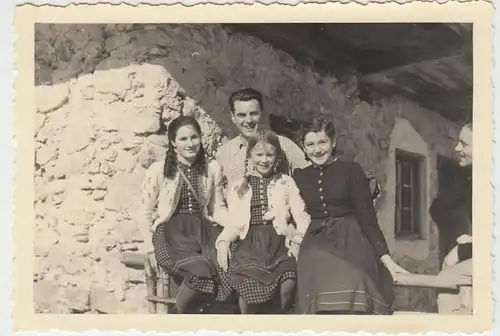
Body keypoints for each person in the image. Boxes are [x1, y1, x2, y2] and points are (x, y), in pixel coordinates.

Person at [292, 118, 409, 315]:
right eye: (310, 144)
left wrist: (386, 259)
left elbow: (367, 217)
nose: (317, 150)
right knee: (315, 275)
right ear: (303, 147)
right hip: (317, 241)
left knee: (356, 276)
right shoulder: (300, 176)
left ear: (333, 142)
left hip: (351, 238)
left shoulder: (351, 170)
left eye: (322, 142)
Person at [138, 116, 234, 313]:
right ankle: (179, 317)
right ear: (173, 142)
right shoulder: (158, 170)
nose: (190, 144)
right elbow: (144, 212)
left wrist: (234, 227)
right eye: (183, 139)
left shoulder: (212, 168)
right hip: (171, 234)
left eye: (194, 137)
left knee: (229, 271)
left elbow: (217, 208)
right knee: (200, 272)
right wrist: (149, 248)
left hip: (203, 232)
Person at [215, 130, 311, 314]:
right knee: (248, 287)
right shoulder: (239, 187)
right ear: (250, 156)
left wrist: (299, 239)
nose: (264, 160)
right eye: (259, 154)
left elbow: (301, 216)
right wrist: (223, 241)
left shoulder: (286, 182)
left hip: (279, 242)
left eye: (270, 155)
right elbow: (235, 223)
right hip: (250, 244)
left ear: (277, 157)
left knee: (288, 282)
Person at [215, 88, 309, 189]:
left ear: (262, 113)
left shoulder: (284, 145)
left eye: (253, 114)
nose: (249, 120)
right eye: (242, 115)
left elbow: (310, 176)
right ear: (233, 117)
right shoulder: (224, 154)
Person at [435, 122, 473, 314]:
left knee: (447, 279)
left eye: (464, 144)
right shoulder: (472, 180)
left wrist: (465, 248)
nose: (457, 148)